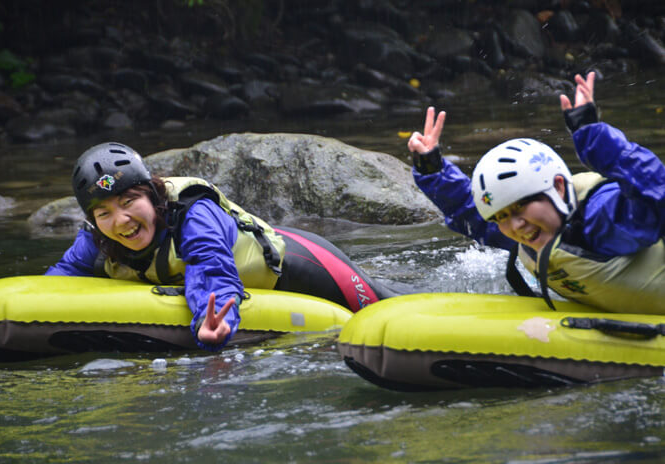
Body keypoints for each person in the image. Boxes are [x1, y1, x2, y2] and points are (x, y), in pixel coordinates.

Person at [47, 142, 396, 350]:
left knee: (390, 308)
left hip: (304, 264)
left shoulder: (193, 214)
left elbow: (211, 270)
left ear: (152, 196)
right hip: (242, 267)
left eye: (128, 202)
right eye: (104, 212)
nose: (120, 220)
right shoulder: (95, 237)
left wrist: (214, 323)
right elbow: (61, 278)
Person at [407, 72, 664, 314]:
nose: (515, 224)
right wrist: (432, 171)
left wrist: (594, 138)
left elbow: (654, 194)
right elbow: (471, 214)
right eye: (501, 216)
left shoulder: (601, 221)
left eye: (519, 207)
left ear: (559, 188)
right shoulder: (527, 232)